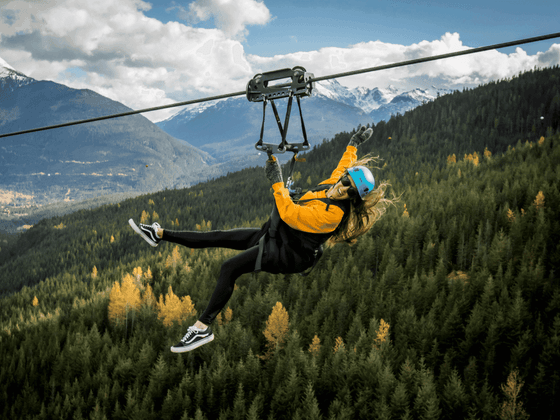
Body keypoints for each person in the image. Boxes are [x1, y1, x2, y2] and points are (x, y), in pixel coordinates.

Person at [129, 126, 392, 352]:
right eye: (346, 182)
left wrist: (277, 184)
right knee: (218, 236)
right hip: (278, 234)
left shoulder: (331, 215)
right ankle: (159, 234)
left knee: (229, 268)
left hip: (286, 253)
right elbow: (343, 166)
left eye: (349, 192)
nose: (342, 188)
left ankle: (202, 328)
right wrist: (353, 144)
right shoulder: (332, 185)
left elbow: (289, 213)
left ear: (353, 199)